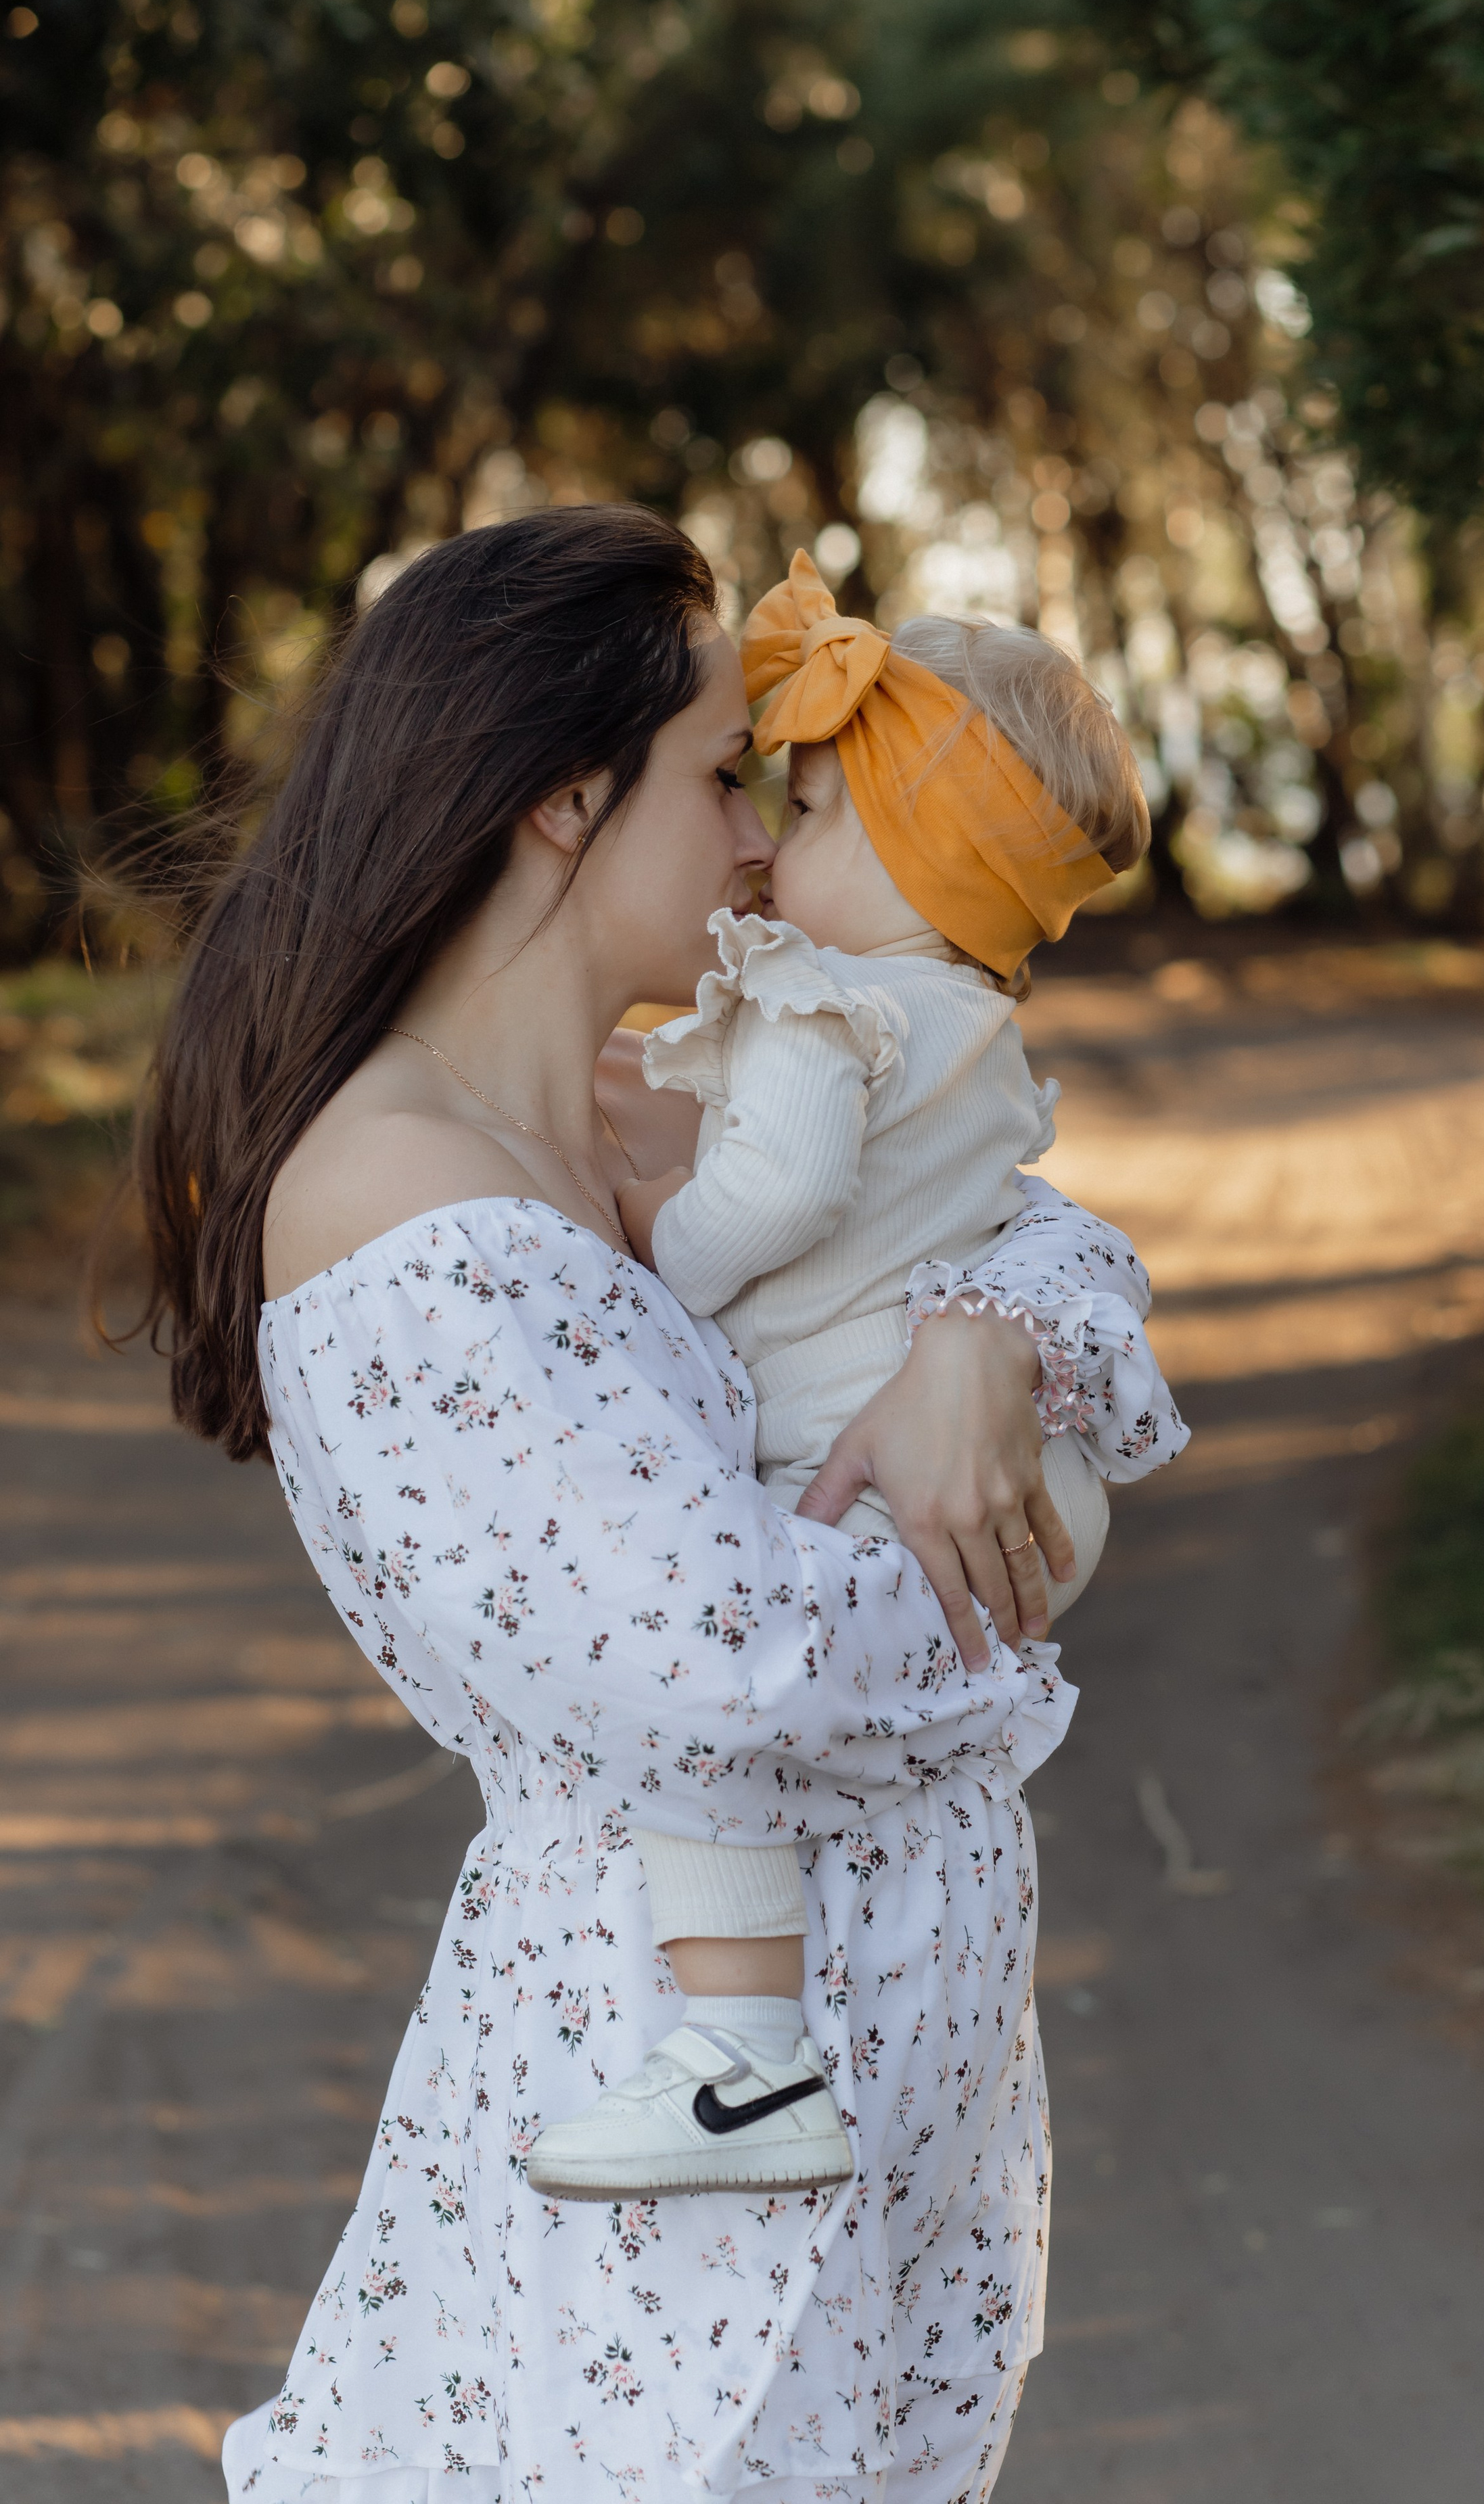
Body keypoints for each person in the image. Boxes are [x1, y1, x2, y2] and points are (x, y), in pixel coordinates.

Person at [133, 503, 1163, 2499]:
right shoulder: (388, 1190)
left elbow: (1067, 1255)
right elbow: (724, 1671)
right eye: (722, 779)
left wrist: (979, 1345)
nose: (770, 839)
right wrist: (992, 1576)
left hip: (908, 2062)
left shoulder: (662, 1103)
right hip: (683, 2101)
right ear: (558, 802)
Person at [526, 552, 1186, 2205]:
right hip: (1004, 1473)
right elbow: (1005, 1217)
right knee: (854, 1777)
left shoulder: (824, 1003)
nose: (764, 842)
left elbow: (777, 1196)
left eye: (810, 809)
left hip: (834, 1461)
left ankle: (746, 2061)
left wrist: (636, 1243)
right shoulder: (974, 1026)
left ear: (919, 850)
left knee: (685, 1717)